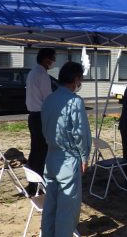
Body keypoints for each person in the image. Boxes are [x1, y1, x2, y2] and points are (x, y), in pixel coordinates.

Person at [41, 62, 91, 237]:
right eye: (80, 79)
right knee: (67, 210)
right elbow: (79, 133)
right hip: (68, 159)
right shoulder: (75, 101)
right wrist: (84, 157)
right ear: (76, 79)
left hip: (51, 157)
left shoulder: (49, 99)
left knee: (50, 207)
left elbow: (44, 128)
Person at [25, 47, 56, 195]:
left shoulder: (32, 72)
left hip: (33, 116)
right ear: (46, 59)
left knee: (35, 150)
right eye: (52, 58)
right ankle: (38, 185)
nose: (53, 62)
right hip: (40, 116)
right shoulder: (42, 75)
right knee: (41, 152)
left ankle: (32, 184)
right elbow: (48, 99)